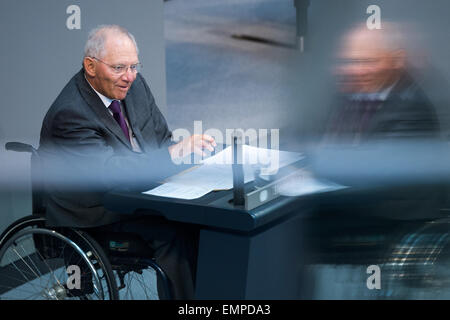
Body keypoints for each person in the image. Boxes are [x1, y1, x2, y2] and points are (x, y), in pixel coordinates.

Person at [38, 25, 216, 299]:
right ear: (91, 66)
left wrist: (186, 157)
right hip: (97, 213)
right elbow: (111, 175)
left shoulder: (135, 85)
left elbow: (160, 139)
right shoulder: (70, 114)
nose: (129, 77)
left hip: (138, 194)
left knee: (208, 218)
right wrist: (171, 155)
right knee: (175, 234)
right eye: (119, 67)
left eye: (134, 66)